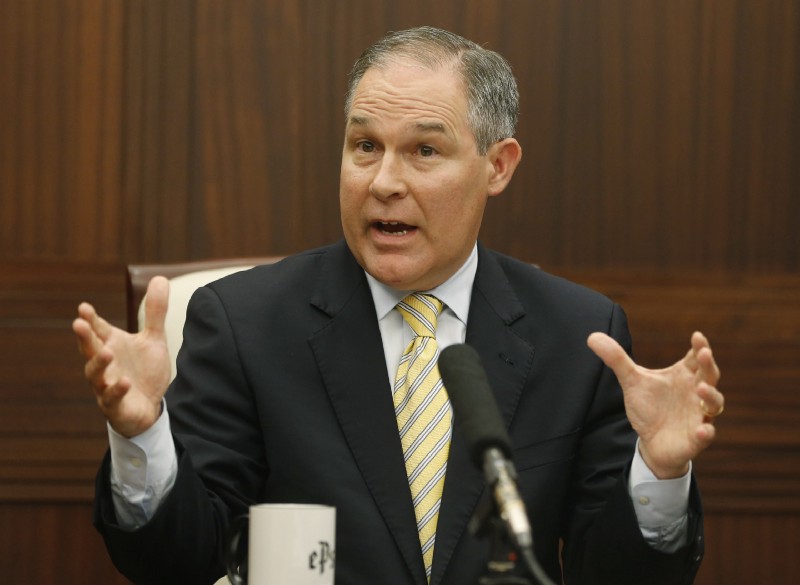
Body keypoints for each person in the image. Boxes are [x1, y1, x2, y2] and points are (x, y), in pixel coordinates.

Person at [73, 26, 723, 585]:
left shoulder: (579, 334)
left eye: (424, 150)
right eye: (365, 146)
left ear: (498, 166)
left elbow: (612, 574)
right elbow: (174, 561)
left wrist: (660, 472)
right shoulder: (245, 323)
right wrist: (143, 436)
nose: (384, 183)